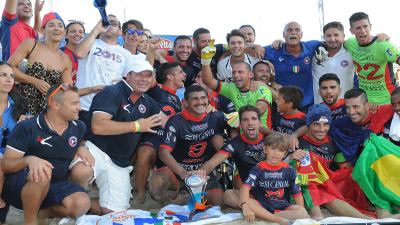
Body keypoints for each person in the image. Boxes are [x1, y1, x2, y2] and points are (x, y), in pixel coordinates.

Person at [1, 83, 92, 225]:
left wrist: (81, 148)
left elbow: (77, 142)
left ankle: (41, 214)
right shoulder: (28, 127)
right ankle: (29, 221)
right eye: (74, 103)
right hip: (22, 186)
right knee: (42, 172)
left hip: (56, 184)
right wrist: (29, 160)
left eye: (79, 103)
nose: (79, 108)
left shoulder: (79, 126)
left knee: (82, 203)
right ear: (56, 105)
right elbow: (6, 164)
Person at [84, 60, 162, 215]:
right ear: (128, 75)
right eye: (139, 74)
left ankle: (74, 204)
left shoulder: (148, 101)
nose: (144, 79)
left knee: (115, 212)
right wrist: (137, 126)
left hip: (118, 162)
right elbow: (98, 126)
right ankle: (71, 199)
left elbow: (168, 121)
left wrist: (205, 113)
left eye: (148, 76)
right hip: (94, 150)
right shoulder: (111, 91)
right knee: (81, 172)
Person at [149, 85, 228, 206]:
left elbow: (228, 146)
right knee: (156, 187)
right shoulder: (175, 121)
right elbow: (163, 153)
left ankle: (192, 196)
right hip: (178, 170)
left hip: (204, 172)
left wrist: (205, 169)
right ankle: (181, 196)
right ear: (185, 102)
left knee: (219, 203)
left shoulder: (216, 117)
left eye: (203, 98)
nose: (200, 102)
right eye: (195, 99)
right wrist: (183, 173)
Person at [292, 104, 371, 220]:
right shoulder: (296, 143)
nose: (321, 129)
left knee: (352, 175)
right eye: (316, 124)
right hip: (305, 188)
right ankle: (365, 219)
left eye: (326, 124)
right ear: (308, 125)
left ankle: (372, 213)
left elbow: (344, 168)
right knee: (306, 161)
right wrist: (292, 157)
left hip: (327, 183)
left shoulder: (333, 141)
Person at [8, 12, 73, 115]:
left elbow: (67, 88)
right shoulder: (31, 44)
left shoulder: (66, 59)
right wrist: (35, 81)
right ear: (43, 30)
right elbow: (8, 69)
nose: (56, 28)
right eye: (51, 25)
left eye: (60, 26)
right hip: (21, 106)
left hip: (46, 112)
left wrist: (89, 90)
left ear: (64, 32)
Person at [74, 15, 132, 125]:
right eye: (106, 22)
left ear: (120, 31)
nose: (109, 25)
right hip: (83, 106)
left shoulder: (126, 54)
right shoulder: (91, 43)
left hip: (108, 109)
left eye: (114, 23)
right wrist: (96, 30)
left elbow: (130, 81)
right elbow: (79, 53)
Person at [239, 132, 308, 225]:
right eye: (272, 148)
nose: (276, 153)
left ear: (285, 154)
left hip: (283, 208)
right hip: (262, 205)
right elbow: (245, 188)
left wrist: (301, 216)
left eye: (280, 150)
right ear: (265, 149)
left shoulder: (290, 170)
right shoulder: (258, 168)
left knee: (302, 212)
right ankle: (279, 220)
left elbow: (297, 194)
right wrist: (245, 206)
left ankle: (265, 216)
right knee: (248, 202)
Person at [201, 41, 272, 130]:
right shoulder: (232, 87)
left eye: (240, 72)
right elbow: (209, 81)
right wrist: (205, 61)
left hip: (262, 135)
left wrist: (229, 116)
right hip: (241, 135)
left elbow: (259, 109)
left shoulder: (262, 89)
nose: (236, 75)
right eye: (234, 72)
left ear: (250, 75)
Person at [200, 105, 265, 191]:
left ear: (260, 123)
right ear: (240, 126)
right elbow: (212, 163)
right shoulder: (234, 144)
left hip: (272, 187)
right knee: (228, 196)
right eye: (245, 120)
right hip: (249, 190)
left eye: (254, 119)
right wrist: (200, 172)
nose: (250, 123)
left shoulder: (271, 140)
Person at [344, 12, 400, 104]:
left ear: (370, 26)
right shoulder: (350, 43)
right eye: (358, 28)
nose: (363, 31)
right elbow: (335, 43)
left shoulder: (383, 44)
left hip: (387, 100)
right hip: (365, 102)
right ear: (351, 31)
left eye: (365, 26)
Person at [264, 21, 320, 112]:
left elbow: (332, 42)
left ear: (301, 35)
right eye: (289, 30)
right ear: (283, 34)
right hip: (283, 105)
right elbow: (251, 50)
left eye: (297, 30)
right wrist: (256, 46)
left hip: (307, 104)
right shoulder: (275, 50)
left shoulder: (311, 46)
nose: (293, 32)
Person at [0, 62, 28, 224]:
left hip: (11, 156)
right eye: (3, 75)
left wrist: (24, 125)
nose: (9, 79)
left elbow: (27, 137)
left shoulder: (20, 105)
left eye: (11, 76)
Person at [312, 21, 355, 104]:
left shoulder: (351, 54)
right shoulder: (314, 55)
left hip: (345, 106)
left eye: (336, 35)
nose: (332, 39)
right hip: (321, 107)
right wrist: (279, 42)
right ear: (324, 37)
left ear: (343, 36)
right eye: (328, 36)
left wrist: (381, 38)